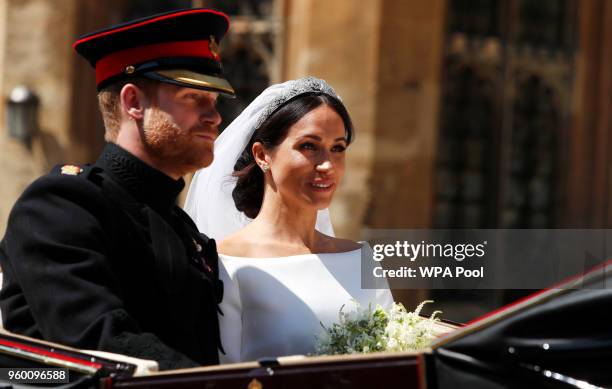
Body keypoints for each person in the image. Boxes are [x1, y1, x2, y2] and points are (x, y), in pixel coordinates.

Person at [0, 9, 235, 370]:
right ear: (133, 103)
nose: (215, 116)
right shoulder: (59, 207)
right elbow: (101, 343)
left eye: (215, 102)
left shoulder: (179, 224)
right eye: (194, 98)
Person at [185, 77, 393, 363]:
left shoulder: (361, 259)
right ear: (262, 155)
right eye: (309, 146)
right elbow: (222, 376)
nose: (327, 165)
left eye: (338, 148)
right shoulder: (224, 263)